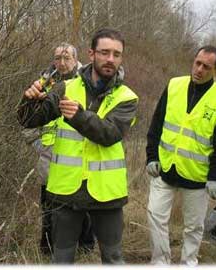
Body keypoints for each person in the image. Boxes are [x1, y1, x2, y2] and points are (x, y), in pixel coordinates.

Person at [17, 28, 139, 264]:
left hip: (107, 193)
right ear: (91, 54)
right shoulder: (65, 88)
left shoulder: (127, 97)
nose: (110, 59)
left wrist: (79, 117)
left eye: (116, 54)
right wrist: (28, 100)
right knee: (61, 258)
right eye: (104, 52)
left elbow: (110, 134)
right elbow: (29, 119)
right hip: (66, 189)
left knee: (113, 258)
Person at [146, 45, 216, 265]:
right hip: (165, 167)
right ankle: (160, 263)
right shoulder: (174, 85)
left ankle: (188, 263)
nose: (199, 69)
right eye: (197, 63)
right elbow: (156, 124)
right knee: (155, 216)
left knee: (194, 227)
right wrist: (151, 157)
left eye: (206, 66)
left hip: (196, 176)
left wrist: (215, 176)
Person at [21, 42, 95, 255]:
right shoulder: (44, 82)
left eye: (67, 58)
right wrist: (38, 145)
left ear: (75, 59)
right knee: (49, 210)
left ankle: (85, 250)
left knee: (82, 208)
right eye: (58, 58)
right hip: (49, 161)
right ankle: (47, 251)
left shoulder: (86, 82)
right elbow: (27, 119)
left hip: (78, 160)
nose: (62, 63)